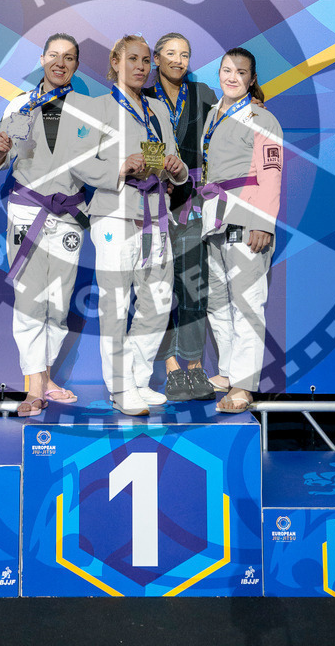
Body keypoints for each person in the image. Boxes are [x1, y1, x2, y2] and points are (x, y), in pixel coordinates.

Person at [0, 33, 97, 417]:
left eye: (69, 57)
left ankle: (46, 378)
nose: (60, 62)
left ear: (76, 66)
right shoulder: (21, 105)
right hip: (28, 210)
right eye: (53, 55)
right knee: (30, 298)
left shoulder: (87, 109)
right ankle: (32, 387)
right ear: (42, 59)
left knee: (59, 301)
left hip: (68, 212)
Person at [82, 35, 188, 416]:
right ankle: (120, 388)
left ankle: (139, 380)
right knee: (115, 304)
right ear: (115, 61)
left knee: (158, 302)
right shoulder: (97, 108)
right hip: (114, 212)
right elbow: (79, 164)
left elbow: (175, 163)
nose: (141, 67)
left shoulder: (158, 110)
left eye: (146, 60)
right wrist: (120, 167)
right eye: (132, 59)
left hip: (157, 215)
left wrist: (178, 170)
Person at [200, 47, 283, 413]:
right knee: (217, 300)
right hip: (214, 218)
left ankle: (244, 386)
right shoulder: (212, 116)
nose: (231, 77)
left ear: (251, 79)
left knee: (247, 302)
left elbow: (272, 174)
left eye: (240, 72)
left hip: (248, 217)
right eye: (226, 70)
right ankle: (229, 371)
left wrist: (263, 222)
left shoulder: (262, 118)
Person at [146, 33, 217, 402]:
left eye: (185, 54)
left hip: (193, 202)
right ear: (156, 59)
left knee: (192, 284)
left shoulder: (203, 93)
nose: (178, 59)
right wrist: (160, 180)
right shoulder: (144, 98)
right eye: (171, 53)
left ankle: (194, 366)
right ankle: (171, 369)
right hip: (154, 201)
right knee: (160, 290)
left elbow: (219, 136)